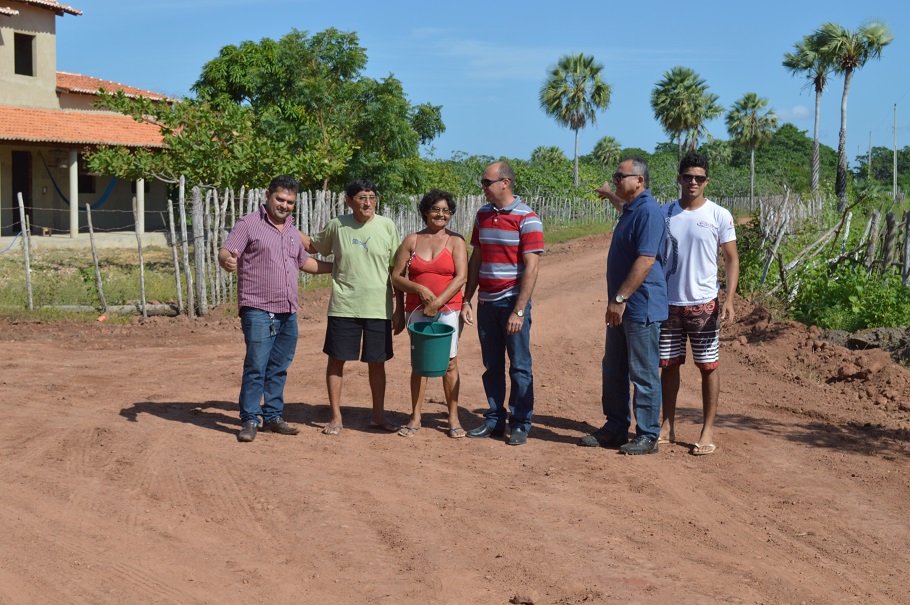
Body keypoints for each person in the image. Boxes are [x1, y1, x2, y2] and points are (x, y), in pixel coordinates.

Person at [219, 175, 333, 443]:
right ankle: (249, 419)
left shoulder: (293, 230)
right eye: (280, 199)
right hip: (257, 308)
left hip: (288, 310)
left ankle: (272, 416)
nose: (284, 205)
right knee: (256, 365)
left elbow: (305, 263)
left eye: (290, 202)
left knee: (280, 366)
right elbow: (226, 252)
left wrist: (340, 268)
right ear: (268, 195)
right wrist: (227, 262)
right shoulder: (248, 224)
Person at [301, 178, 404, 436]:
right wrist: (287, 227)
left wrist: (399, 307)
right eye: (361, 197)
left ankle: (378, 416)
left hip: (378, 307)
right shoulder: (337, 226)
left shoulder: (387, 226)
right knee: (336, 360)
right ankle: (336, 416)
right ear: (349, 201)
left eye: (371, 197)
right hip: (344, 306)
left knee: (377, 363)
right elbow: (314, 246)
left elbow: (397, 269)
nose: (367, 202)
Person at [581, 156, 667, 455]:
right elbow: (622, 206)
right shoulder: (632, 209)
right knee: (613, 368)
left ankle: (647, 435)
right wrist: (609, 195)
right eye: (615, 177)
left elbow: (645, 260)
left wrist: (620, 299)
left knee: (642, 372)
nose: (616, 181)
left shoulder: (649, 212)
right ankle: (616, 427)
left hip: (639, 306)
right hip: (622, 307)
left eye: (620, 177)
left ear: (639, 181)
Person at [659, 152, 739, 456]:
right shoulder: (665, 213)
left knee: (708, 367)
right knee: (668, 366)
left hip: (704, 305)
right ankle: (667, 425)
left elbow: (731, 259)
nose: (693, 182)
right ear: (679, 178)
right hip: (668, 304)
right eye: (688, 176)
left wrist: (728, 299)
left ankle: (707, 429)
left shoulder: (719, 214)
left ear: (706, 181)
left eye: (699, 178)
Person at [461, 161, 544, 446]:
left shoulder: (528, 218)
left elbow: (531, 269)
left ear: (505, 183)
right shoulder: (482, 215)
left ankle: (520, 423)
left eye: (486, 183)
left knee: (520, 366)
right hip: (486, 302)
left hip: (511, 300)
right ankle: (495, 419)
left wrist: (519, 310)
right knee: (491, 364)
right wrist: (467, 299)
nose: (482, 188)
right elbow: (477, 258)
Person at [391, 189, 469, 438]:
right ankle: (415, 416)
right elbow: (396, 276)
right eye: (436, 209)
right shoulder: (411, 240)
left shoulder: (456, 241)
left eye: (446, 210)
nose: (441, 214)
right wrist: (417, 292)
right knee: (420, 363)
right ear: (425, 211)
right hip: (416, 309)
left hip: (448, 309)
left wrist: (437, 302)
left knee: (449, 363)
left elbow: (461, 277)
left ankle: (453, 418)